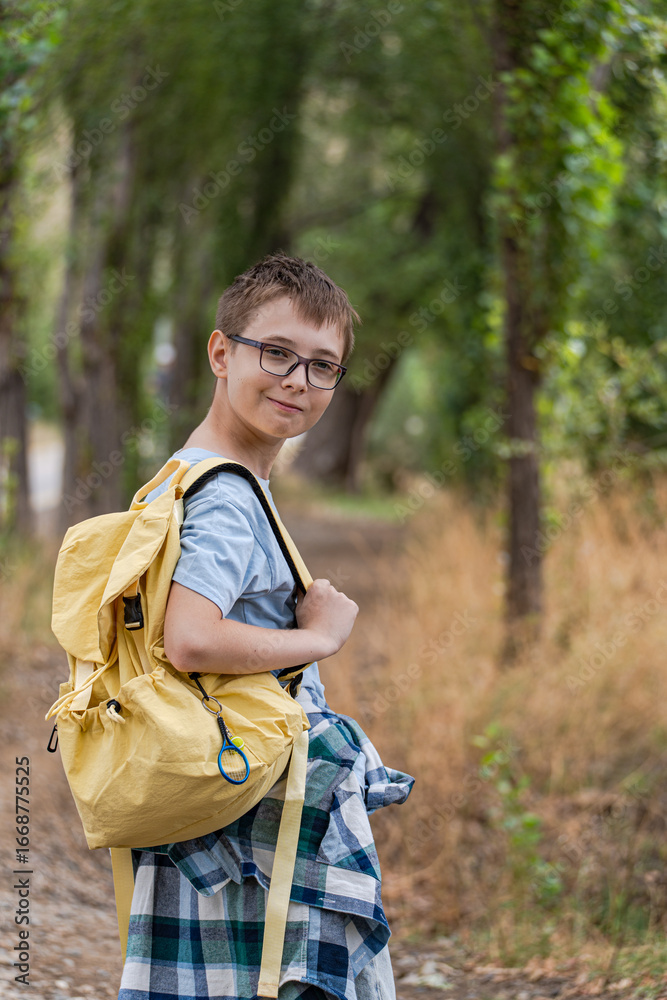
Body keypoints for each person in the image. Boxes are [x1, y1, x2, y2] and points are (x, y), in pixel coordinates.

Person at [117, 252, 414, 1000]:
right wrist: (319, 638)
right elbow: (190, 638)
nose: (298, 381)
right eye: (276, 353)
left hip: (209, 792)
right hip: (248, 819)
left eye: (322, 366)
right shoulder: (226, 497)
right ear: (221, 353)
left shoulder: (181, 473)